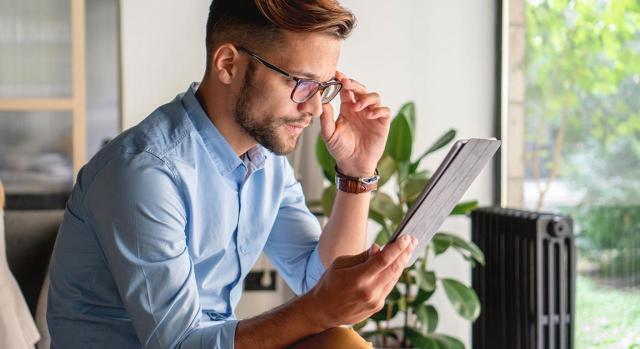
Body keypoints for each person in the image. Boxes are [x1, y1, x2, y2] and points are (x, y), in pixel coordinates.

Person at [47, 0, 417, 348]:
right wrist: (319, 308)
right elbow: (178, 343)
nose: (315, 108)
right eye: (300, 83)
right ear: (227, 64)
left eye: (324, 87)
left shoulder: (265, 160)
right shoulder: (146, 173)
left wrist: (356, 174)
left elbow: (320, 283)